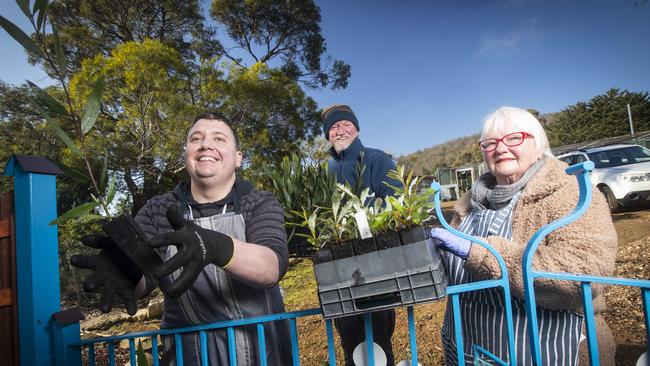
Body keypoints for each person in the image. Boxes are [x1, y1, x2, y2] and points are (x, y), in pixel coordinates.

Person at [71, 112, 292, 365]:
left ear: (238, 158)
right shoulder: (159, 208)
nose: (206, 144)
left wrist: (215, 246)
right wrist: (128, 273)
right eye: (196, 139)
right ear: (186, 153)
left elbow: (271, 266)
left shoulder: (258, 202)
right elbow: (147, 274)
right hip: (191, 354)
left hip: (259, 351)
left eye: (219, 139)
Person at [430, 106, 617, 365]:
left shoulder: (572, 193)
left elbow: (584, 273)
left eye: (514, 138)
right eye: (490, 142)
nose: (501, 148)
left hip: (542, 349)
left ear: (539, 145)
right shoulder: (468, 203)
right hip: (471, 350)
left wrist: (484, 255)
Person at [322, 104, 400, 366]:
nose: (340, 130)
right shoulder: (325, 172)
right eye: (333, 127)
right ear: (327, 135)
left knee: (376, 341)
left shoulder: (377, 160)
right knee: (349, 340)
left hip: (374, 266)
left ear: (356, 128)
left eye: (346, 125)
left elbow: (398, 205)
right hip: (336, 270)